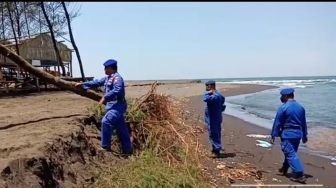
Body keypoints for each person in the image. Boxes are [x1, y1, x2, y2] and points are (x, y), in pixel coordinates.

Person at [75, 59, 132, 155]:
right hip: (112, 106)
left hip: (118, 106)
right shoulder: (107, 78)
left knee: (106, 121)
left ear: (111, 68)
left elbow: (118, 90)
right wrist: (83, 84)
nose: (104, 70)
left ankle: (105, 146)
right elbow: (96, 82)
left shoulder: (117, 78)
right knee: (121, 128)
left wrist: (105, 97)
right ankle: (128, 150)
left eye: (106, 68)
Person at [270, 88, 308, 183]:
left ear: (286, 96)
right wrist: (304, 135)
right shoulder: (300, 107)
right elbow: (303, 123)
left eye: (282, 96)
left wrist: (273, 135)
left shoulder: (283, 108)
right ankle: (284, 168)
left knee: (290, 153)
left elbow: (277, 123)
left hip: (288, 134)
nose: (281, 98)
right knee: (291, 151)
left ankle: (299, 174)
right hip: (298, 134)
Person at [203, 80, 226, 157]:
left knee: (214, 133)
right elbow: (223, 100)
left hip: (213, 117)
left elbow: (205, 99)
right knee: (215, 133)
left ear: (211, 86)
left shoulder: (214, 96)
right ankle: (215, 149)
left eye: (207, 86)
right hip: (216, 116)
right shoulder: (218, 94)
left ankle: (216, 150)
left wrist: (207, 93)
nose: (206, 87)